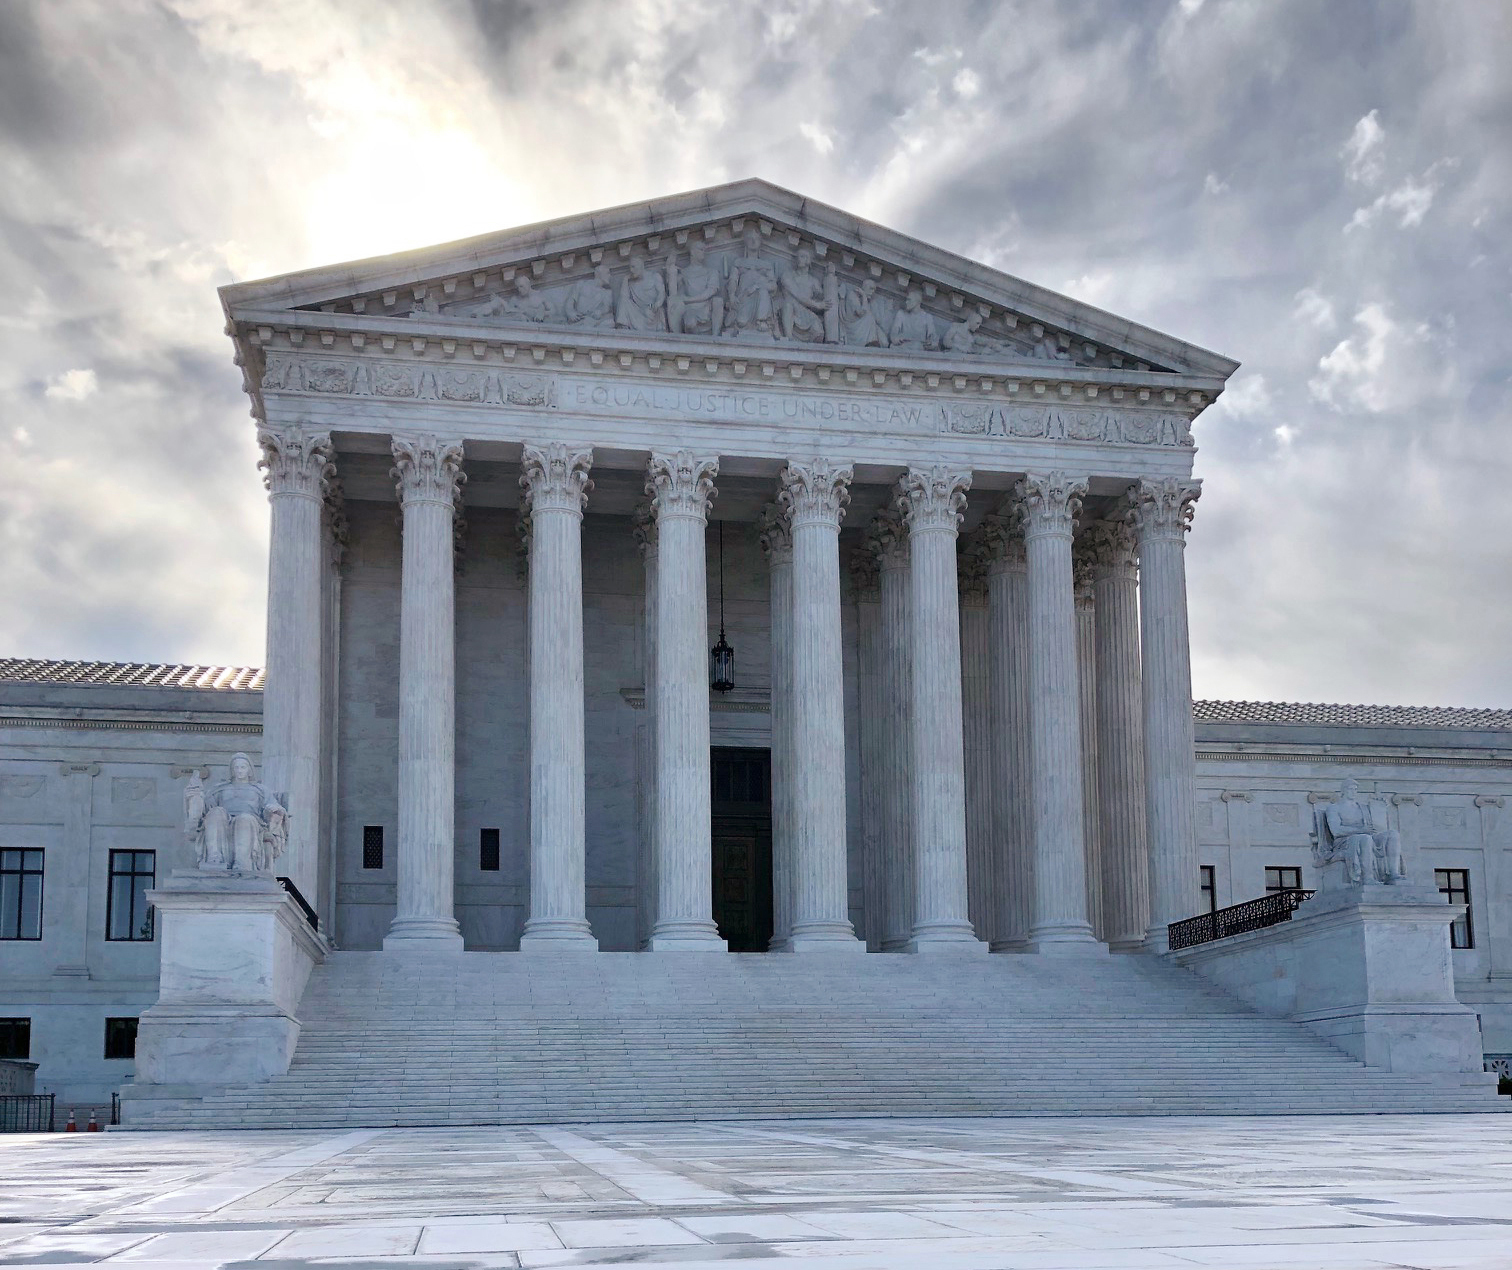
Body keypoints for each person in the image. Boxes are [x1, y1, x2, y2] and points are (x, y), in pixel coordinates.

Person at [184, 754, 288, 876]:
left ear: (249, 770)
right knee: (215, 813)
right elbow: (205, 809)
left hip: (252, 822)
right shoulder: (219, 789)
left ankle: (242, 862)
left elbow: (272, 806)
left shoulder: (260, 790)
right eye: (236, 767)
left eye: (242, 767)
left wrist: (274, 810)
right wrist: (195, 797)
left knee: (244, 819)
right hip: (223, 819)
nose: (239, 770)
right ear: (232, 770)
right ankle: (215, 858)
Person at [1322, 777, 1406, 884]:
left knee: (1393, 834)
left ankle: (1393, 874)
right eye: (1350, 789)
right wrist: (1360, 830)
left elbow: (1376, 827)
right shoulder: (1334, 808)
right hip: (1344, 841)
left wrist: (1380, 807)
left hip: (1366, 836)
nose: (1353, 792)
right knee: (1365, 839)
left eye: (1355, 789)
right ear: (1343, 791)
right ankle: (1367, 877)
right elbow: (1336, 831)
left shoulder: (1363, 807)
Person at [723, 227, 778, 339]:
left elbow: (773, 286)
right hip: (743, 298)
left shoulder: (766, 265)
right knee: (741, 322)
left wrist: (757, 286)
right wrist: (732, 296)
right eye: (750, 238)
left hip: (761, 299)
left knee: (763, 291)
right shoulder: (739, 262)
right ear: (745, 242)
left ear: (760, 242)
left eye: (756, 239)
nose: (753, 241)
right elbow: (733, 281)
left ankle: (762, 320)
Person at [666, 240, 723, 336]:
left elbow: (710, 291)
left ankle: (715, 338)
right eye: (701, 249)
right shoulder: (683, 273)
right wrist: (671, 271)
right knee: (690, 323)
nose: (703, 252)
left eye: (704, 250)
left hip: (706, 307)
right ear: (692, 252)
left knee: (718, 301)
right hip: (690, 309)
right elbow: (675, 296)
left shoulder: (712, 272)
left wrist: (689, 299)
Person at [778, 248, 831, 342]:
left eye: (803, 257)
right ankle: (788, 338)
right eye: (798, 257)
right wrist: (818, 305)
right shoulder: (787, 276)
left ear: (809, 261)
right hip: (791, 310)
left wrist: (830, 277)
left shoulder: (814, 281)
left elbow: (824, 299)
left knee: (819, 332)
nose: (799, 259)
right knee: (788, 305)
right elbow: (798, 294)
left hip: (806, 313)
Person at [616, 254, 667, 331]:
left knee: (658, 311)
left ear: (641, 266)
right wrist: (626, 279)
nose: (631, 270)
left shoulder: (654, 276)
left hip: (653, 311)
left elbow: (661, 294)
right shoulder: (631, 283)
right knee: (624, 301)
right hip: (638, 312)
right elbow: (623, 298)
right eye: (630, 267)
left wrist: (656, 305)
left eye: (633, 267)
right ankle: (623, 329)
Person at [840, 278, 889, 347]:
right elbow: (861, 312)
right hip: (853, 328)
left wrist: (874, 305)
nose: (873, 292)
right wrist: (864, 296)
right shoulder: (852, 295)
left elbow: (879, 321)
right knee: (869, 316)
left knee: (884, 342)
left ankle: (874, 342)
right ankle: (871, 342)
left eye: (874, 290)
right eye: (871, 288)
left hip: (864, 327)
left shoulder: (870, 302)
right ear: (864, 287)